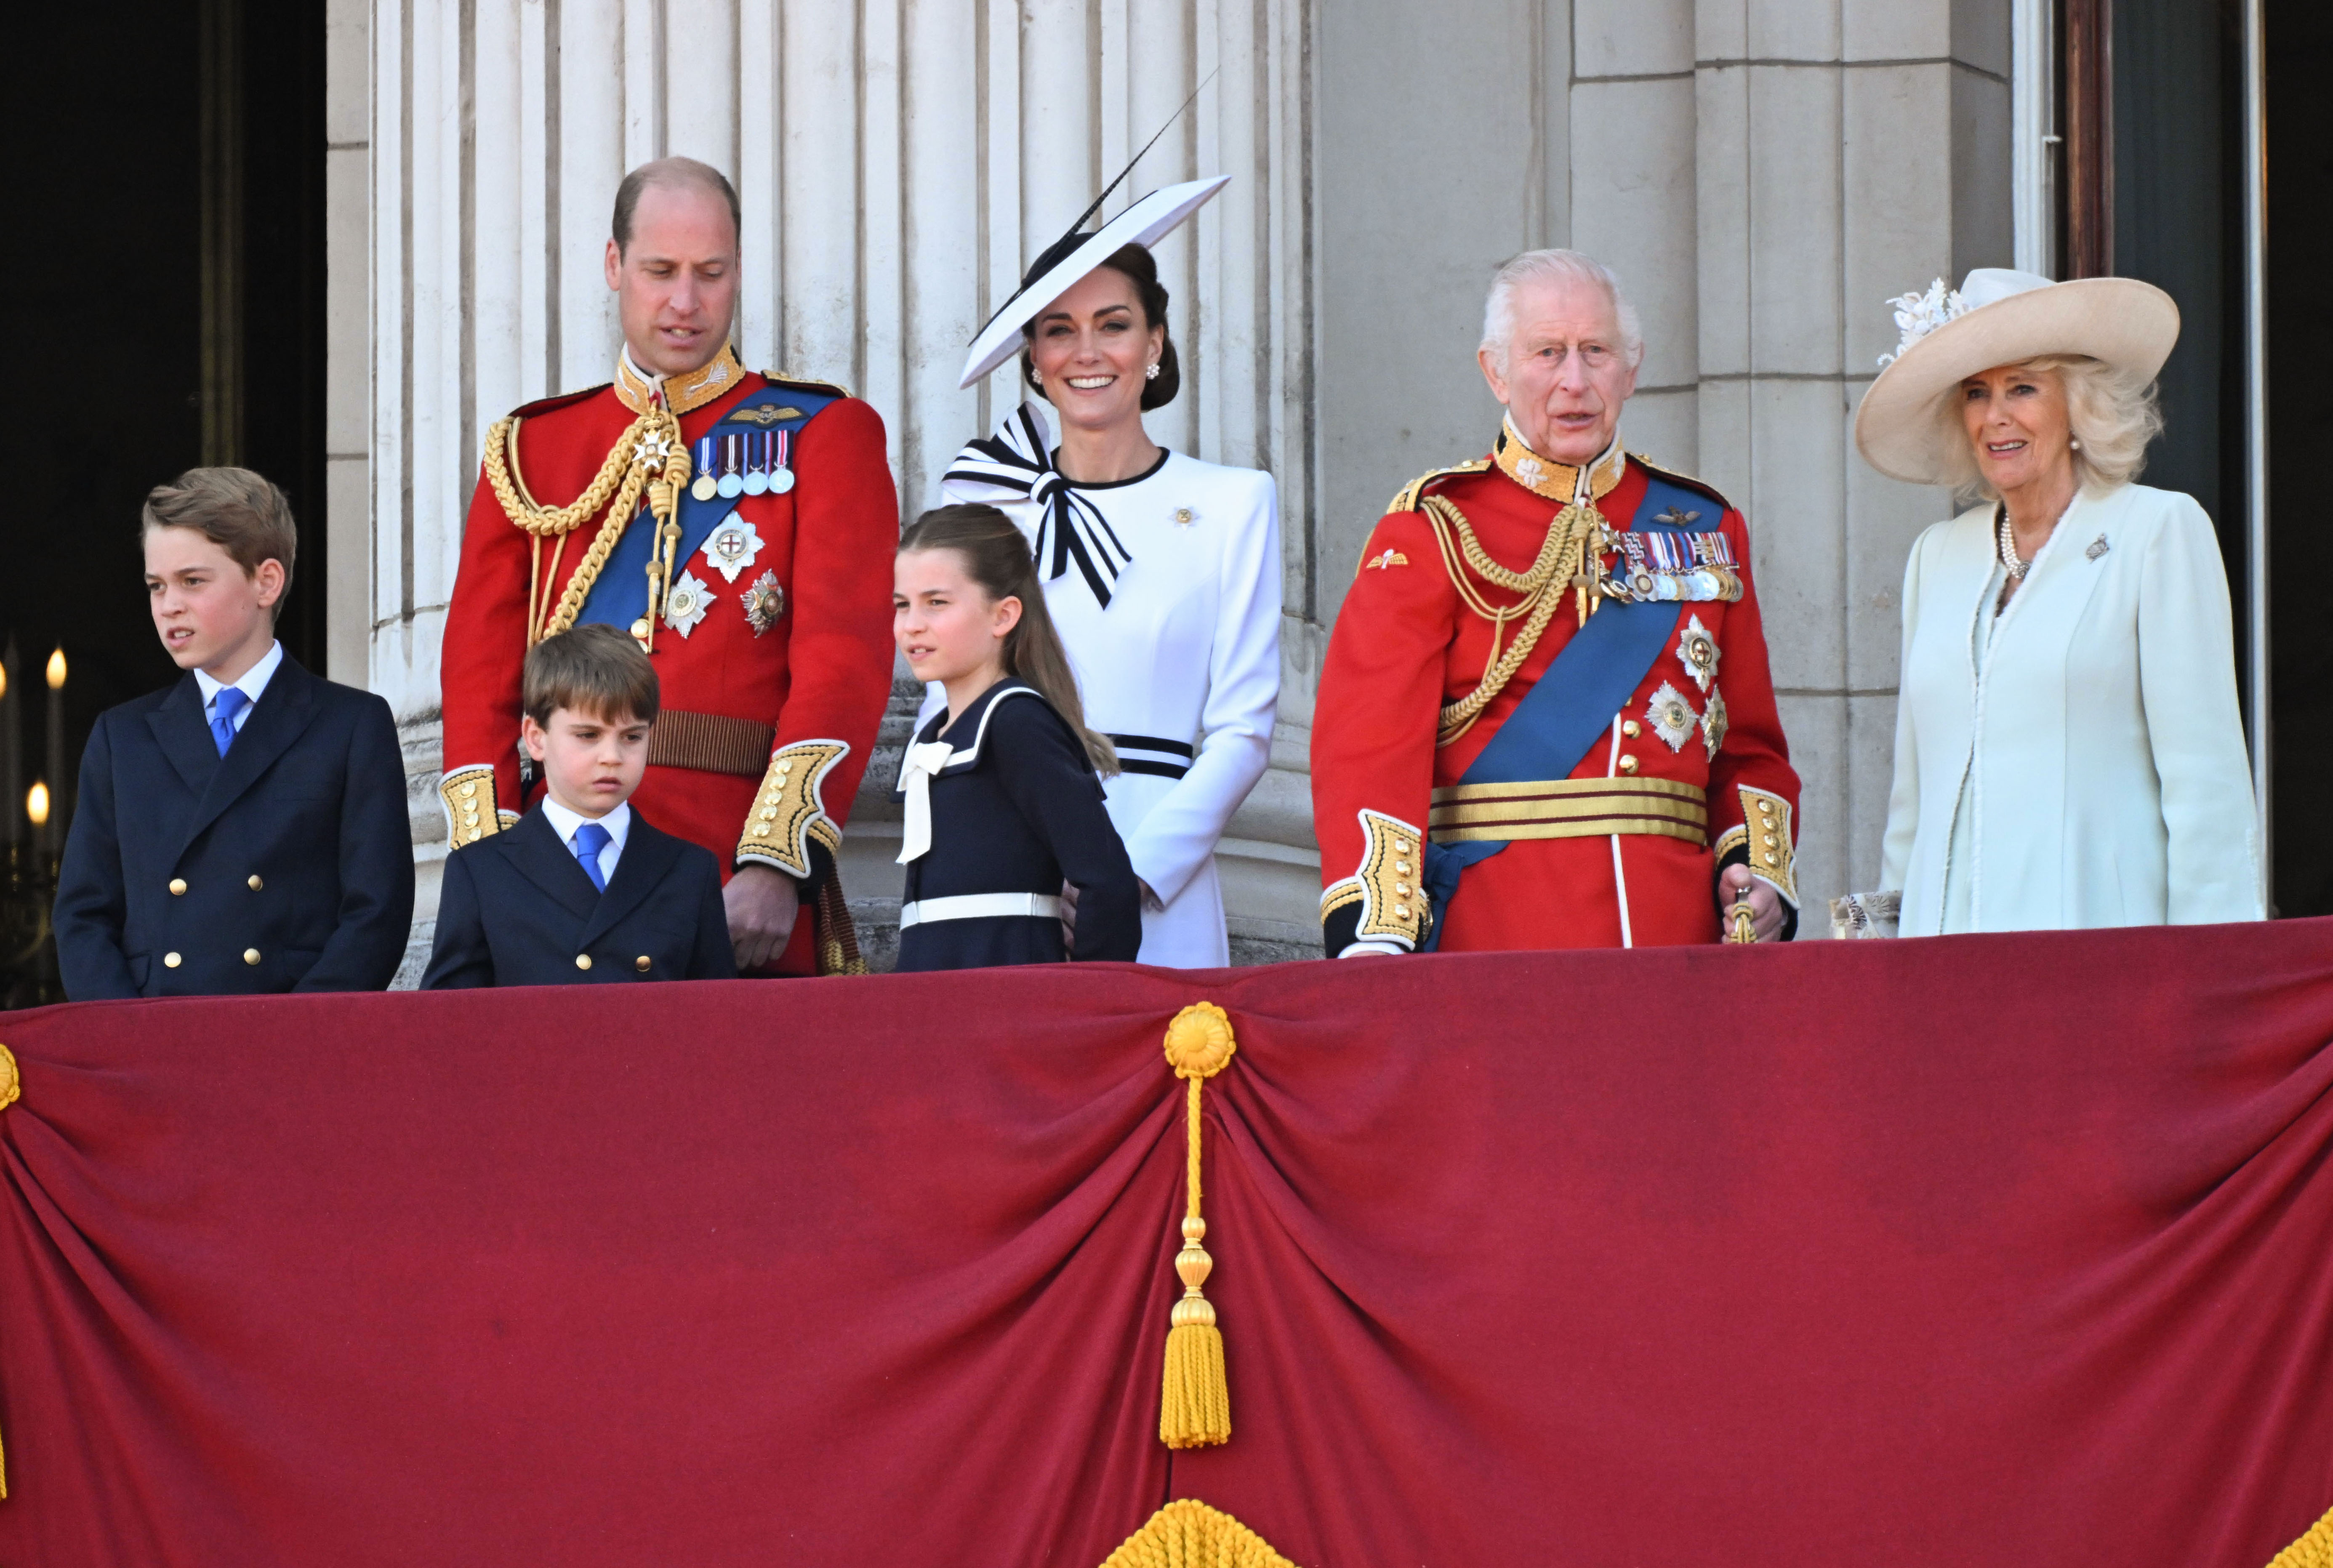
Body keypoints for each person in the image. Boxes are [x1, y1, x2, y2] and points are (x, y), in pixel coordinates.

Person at [437, 156, 896, 978]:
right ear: (614, 266)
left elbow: (842, 666)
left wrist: (776, 862)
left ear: (738, 272)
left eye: (710, 274)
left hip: (731, 867)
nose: (685, 302)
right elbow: (479, 684)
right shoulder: (530, 450)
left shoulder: (823, 433)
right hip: (555, 871)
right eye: (660, 272)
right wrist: (494, 871)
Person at [1308, 251, 1801, 957]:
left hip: (1676, 938)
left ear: (1631, 370)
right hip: (1496, 934)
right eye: (1547, 353)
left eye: (1595, 352)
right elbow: (1368, 749)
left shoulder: (1702, 527)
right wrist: (1376, 936)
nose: (1575, 381)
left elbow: (1750, 745)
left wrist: (1754, 871)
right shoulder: (1434, 529)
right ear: (1495, 372)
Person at [1846, 268, 2262, 935]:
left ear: (2077, 402)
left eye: (2022, 388)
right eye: (1976, 393)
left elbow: (2205, 792)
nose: (1995, 416)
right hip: (1943, 964)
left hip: (2096, 958)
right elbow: (1912, 803)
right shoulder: (1937, 556)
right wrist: (1888, 950)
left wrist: (2208, 981)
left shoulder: (2153, 532)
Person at [938, 173, 1278, 968]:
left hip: (1160, 869)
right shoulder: (987, 504)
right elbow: (946, 706)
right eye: (1058, 330)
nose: (1086, 352)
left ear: (1154, 343)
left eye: (1113, 325)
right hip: (1008, 869)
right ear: (1032, 356)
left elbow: (1242, 732)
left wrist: (1127, 875)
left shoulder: (1234, 502)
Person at [54, 469, 413, 998]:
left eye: (193, 581)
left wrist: (294, 1035)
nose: (168, 604)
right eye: (157, 585)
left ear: (266, 581)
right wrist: (126, 1035)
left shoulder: (351, 725)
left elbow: (375, 912)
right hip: (153, 1044)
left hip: (289, 1045)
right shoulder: (121, 737)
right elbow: (84, 915)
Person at [889, 505, 1140, 971]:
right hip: (929, 999)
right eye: (902, 604)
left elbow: (1106, 881)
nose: (912, 624)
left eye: (936, 602)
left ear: (1003, 615)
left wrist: (1089, 1005)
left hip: (1007, 1000)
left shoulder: (1016, 721)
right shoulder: (933, 734)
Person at [421, 624, 735, 986]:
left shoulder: (691, 871)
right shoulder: (480, 871)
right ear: (536, 739)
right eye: (588, 736)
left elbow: (715, 1020)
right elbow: (450, 1021)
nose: (612, 757)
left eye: (632, 737)